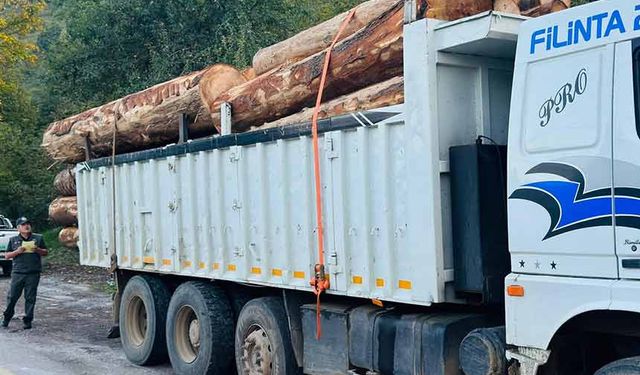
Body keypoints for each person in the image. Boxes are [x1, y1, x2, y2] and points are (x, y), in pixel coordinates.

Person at [2, 217, 48, 329]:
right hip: (18, 273)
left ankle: (28, 320)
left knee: (30, 297)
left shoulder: (38, 238)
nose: (26, 226)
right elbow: (7, 255)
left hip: (33, 273)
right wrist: (17, 252)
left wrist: (37, 250)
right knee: (12, 297)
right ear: (18, 228)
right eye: (23, 225)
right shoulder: (13, 240)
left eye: (28, 224)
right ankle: (6, 318)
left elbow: (45, 252)